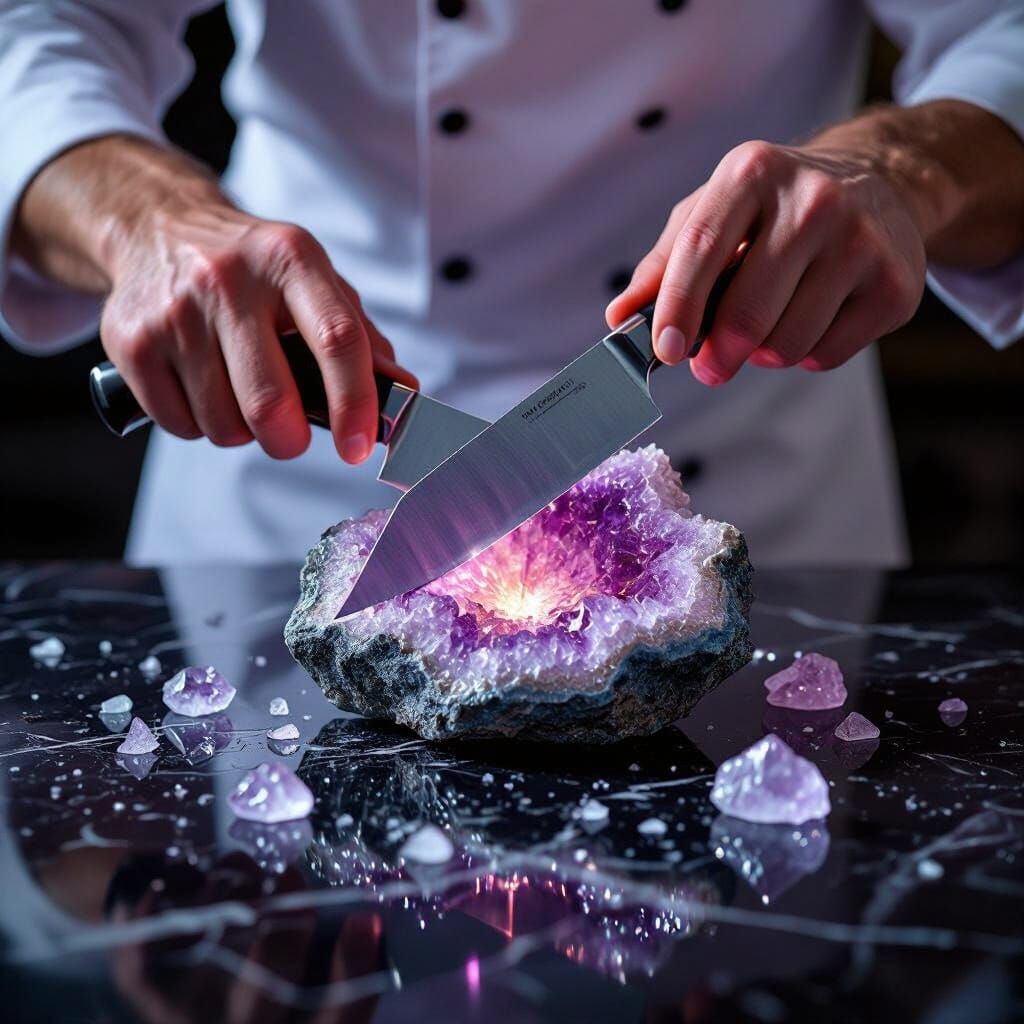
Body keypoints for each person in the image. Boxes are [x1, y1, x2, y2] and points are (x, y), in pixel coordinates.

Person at [1, 2, 1022, 567]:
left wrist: (904, 167)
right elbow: (40, 24)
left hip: (752, 493)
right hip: (288, 479)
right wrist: (149, 223)